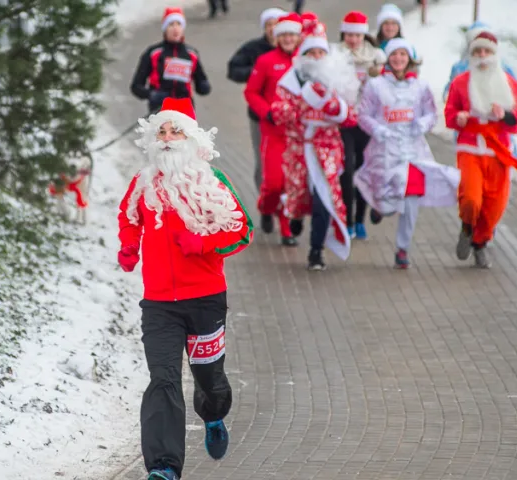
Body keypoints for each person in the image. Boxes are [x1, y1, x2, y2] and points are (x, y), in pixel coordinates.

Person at [117, 97, 253, 480]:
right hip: (159, 303)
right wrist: (129, 244)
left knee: (209, 377)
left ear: (191, 138)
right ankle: (164, 467)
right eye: (161, 130)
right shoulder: (143, 183)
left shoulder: (212, 183)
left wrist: (203, 244)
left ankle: (213, 415)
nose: (167, 138)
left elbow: (242, 230)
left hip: (205, 299)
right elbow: (129, 217)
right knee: (162, 379)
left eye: (175, 130)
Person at [355, 39, 460, 268]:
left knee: (411, 199)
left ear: (410, 59)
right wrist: (377, 129)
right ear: (388, 58)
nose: (398, 59)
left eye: (403, 55)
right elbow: (363, 115)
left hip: (413, 152)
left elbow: (432, 114)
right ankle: (381, 208)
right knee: (388, 203)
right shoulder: (375, 85)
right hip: (384, 150)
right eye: (394, 55)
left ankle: (403, 249)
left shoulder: (420, 86)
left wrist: (422, 124)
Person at [270, 31, 358, 270]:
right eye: (312, 52)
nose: (317, 57)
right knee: (298, 196)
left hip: (326, 151)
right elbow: (277, 112)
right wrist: (300, 105)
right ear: (304, 55)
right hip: (299, 151)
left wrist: (335, 107)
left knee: (324, 201)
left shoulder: (339, 82)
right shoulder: (291, 81)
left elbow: (351, 117)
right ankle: (295, 217)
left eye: (321, 53)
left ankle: (316, 251)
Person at [444, 31, 517, 268]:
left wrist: (507, 115)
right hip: (470, 147)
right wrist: (458, 118)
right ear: (471, 55)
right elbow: (449, 114)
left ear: (494, 54)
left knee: (494, 206)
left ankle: (480, 242)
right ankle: (467, 226)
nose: (482, 56)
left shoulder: (508, 83)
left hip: (498, 149)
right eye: (478, 52)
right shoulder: (461, 82)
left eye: (487, 51)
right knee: (471, 198)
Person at [244, 13, 303, 245]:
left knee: (292, 183)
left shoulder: (306, 61)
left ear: (299, 38)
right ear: (277, 37)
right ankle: (266, 208)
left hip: (299, 133)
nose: (288, 39)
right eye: (284, 35)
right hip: (273, 131)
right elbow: (251, 92)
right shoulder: (266, 61)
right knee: (274, 184)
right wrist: (267, 112)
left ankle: (287, 230)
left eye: (292, 35)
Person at [332, 10, 386, 240]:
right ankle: (347, 217)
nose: (353, 40)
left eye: (357, 35)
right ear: (343, 34)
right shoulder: (334, 55)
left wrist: (377, 76)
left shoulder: (376, 57)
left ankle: (360, 219)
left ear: (364, 36)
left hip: (365, 121)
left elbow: (385, 89)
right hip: (343, 121)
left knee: (364, 169)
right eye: (349, 35)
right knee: (347, 169)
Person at [227, 7, 286, 190]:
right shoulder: (253, 49)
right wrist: (255, 73)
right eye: (268, 25)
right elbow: (233, 70)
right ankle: (264, 197)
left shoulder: (292, 48)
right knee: (264, 159)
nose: (272, 29)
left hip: (288, 116)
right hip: (260, 115)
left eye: (276, 25)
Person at [443, 21, 517, 159]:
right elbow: (449, 93)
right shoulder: (460, 69)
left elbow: (515, 100)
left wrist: (505, 114)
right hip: (470, 133)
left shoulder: (503, 70)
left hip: (496, 132)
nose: (482, 53)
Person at [130, 8, 211, 115]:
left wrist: (204, 87)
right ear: (165, 29)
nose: (175, 28)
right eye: (171, 24)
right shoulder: (153, 53)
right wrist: (152, 94)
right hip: (160, 109)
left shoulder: (191, 54)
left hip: (185, 110)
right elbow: (136, 86)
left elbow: (201, 81)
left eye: (179, 24)